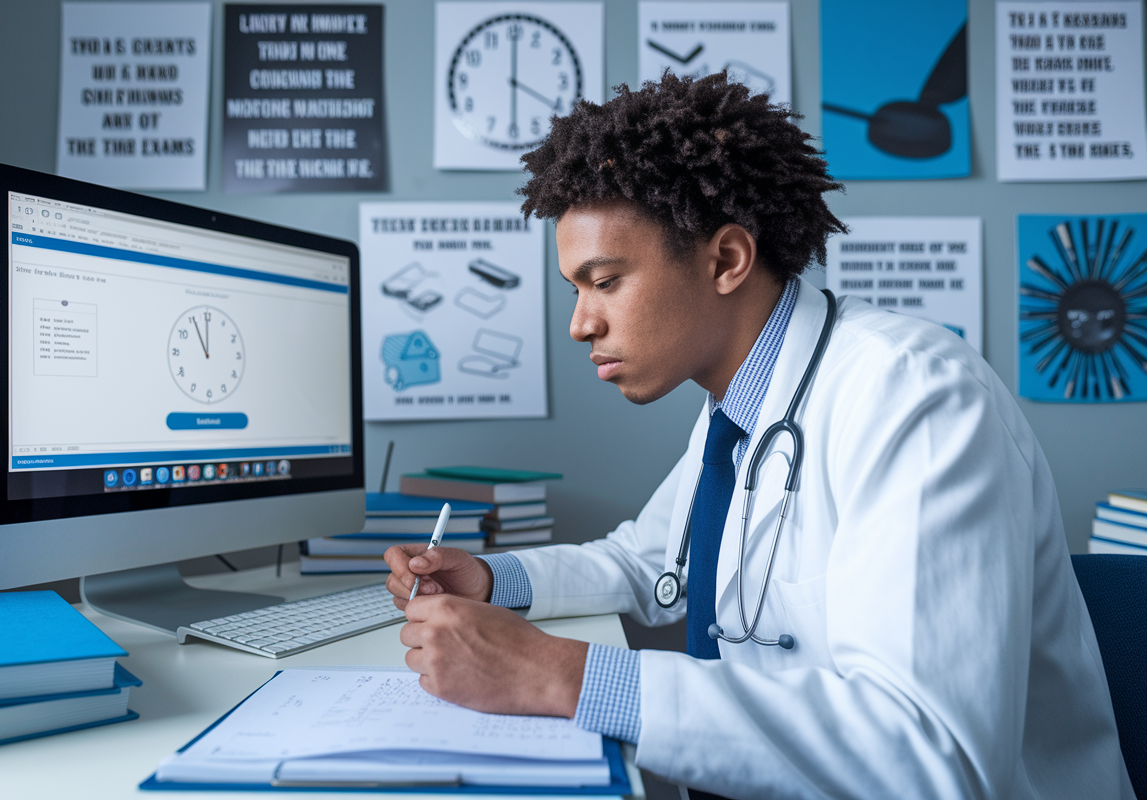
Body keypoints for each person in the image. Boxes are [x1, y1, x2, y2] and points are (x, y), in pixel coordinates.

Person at [383, 73, 1132, 799]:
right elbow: (650, 563)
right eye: (575, 290)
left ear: (728, 260)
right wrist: (492, 581)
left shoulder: (916, 398)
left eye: (605, 281)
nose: (581, 323)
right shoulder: (738, 405)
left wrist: (563, 676)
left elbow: (932, 757)